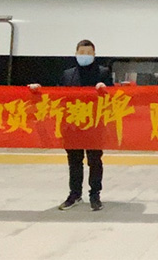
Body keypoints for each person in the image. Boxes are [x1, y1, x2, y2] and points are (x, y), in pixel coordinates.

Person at [28, 39, 112, 211]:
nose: (85, 56)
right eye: (82, 52)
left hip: (95, 124)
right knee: (74, 161)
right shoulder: (68, 74)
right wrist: (37, 90)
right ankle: (74, 194)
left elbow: (116, 97)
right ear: (76, 54)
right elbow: (56, 95)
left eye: (88, 53)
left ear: (94, 54)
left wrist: (105, 89)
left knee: (95, 161)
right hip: (71, 125)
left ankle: (95, 195)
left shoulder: (103, 73)